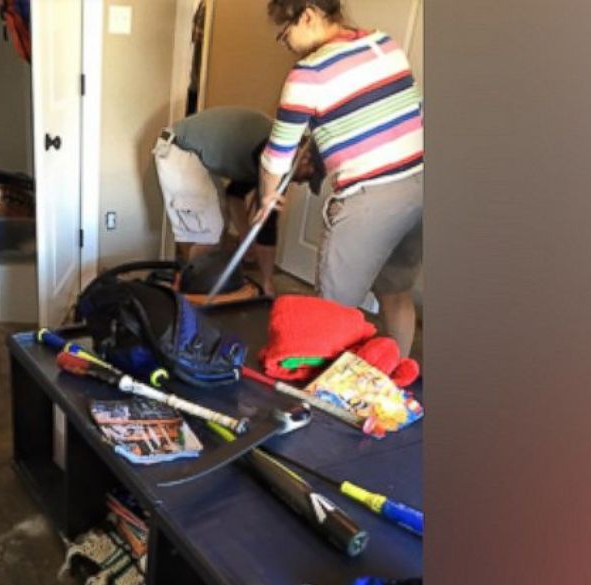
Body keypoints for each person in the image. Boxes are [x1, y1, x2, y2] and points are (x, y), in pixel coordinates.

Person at [253, 0, 424, 356]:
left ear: (308, 15)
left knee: (331, 311)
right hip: (420, 187)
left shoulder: (309, 73)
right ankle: (392, 386)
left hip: (369, 202)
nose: (287, 45)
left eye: (286, 35)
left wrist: (268, 196)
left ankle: (327, 404)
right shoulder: (384, 45)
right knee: (396, 293)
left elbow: (276, 155)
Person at [154, 106, 286, 297]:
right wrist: (267, 283)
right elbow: (268, 226)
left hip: (191, 154)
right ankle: (192, 298)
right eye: (307, 176)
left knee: (216, 223)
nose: (301, 182)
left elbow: (234, 195)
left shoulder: (271, 153)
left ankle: (191, 288)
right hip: (180, 149)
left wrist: (245, 238)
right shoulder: (276, 158)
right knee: (208, 231)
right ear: (305, 160)